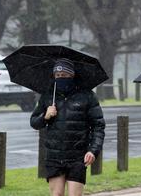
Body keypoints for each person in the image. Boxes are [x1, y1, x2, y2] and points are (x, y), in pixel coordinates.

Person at [30, 58, 106, 196]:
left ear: (72, 75)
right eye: (57, 76)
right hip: (54, 156)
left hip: (77, 157)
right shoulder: (48, 96)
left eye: (64, 76)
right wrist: (45, 116)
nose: (60, 79)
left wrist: (93, 151)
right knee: (57, 194)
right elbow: (34, 123)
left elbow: (98, 126)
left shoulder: (87, 96)